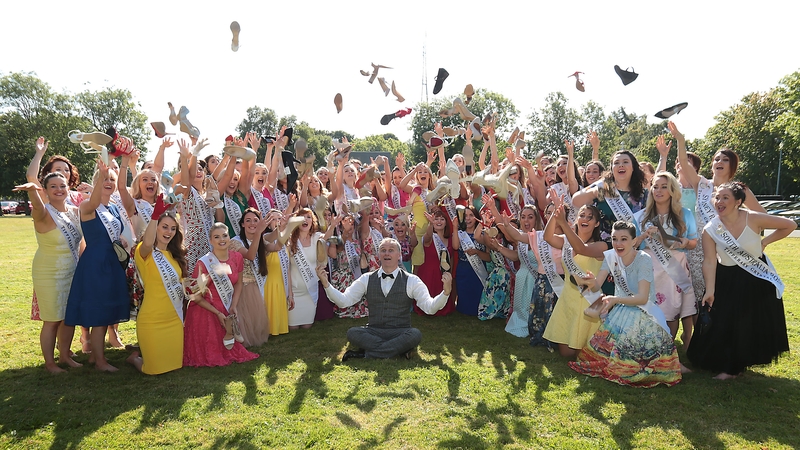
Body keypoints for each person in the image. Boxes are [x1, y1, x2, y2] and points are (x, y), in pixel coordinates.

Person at [687, 182, 795, 379]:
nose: (719, 202)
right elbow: (710, 262)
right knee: (725, 321)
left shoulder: (753, 218)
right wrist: (710, 290)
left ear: (738, 202)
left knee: (747, 323)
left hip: (755, 277)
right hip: (726, 278)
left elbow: (790, 225)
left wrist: (764, 242)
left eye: (725, 198)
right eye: (717, 197)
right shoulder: (711, 229)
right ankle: (728, 365)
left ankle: (734, 368)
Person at [570, 221, 682, 387]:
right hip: (621, 311)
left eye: (623, 239)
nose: (618, 244)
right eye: (615, 239)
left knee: (626, 367)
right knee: (608, 361)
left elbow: (643, 298)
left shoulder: (643, 259)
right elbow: (597, 285)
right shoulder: (610, 256)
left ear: (633, 240)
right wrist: (587, 280)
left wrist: (616, 299)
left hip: (644, 313)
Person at [318, 238, 453, 361]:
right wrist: (326, 285)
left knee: (415, 334)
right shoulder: (367, 279)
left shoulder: (412, 280)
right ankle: (397, 350)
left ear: (398, 255)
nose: (387, 253)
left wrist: (445, 293)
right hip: (374, 331)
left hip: (401, 331)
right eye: (383, 250)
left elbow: (429, 308)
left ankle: (366, 354)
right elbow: (343, 301)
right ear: (379, 255)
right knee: (352, 333)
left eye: (391, 250)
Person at [64, 159, 131, 372]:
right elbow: (93, 204)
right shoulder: (87, 205)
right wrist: (102, 174)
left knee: (106, 309)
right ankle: (100, 361)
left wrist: (122, 240)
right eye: (104, 179)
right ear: (96, 182)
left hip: (112, 262)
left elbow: (115, 232)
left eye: (111, 179)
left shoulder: (113, 207)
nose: (108, 182)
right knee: (99, 311)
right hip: (96, 263)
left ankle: (96, 357)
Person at [14, 172, 84, 373]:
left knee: (68, 317)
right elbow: (37, 206)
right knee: (52, 319)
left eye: (62, 185)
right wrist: (32, 193)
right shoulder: (44, 212)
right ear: (45, 191)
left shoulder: (74, 211)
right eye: (53, 186)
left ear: (68, 188)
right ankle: (50, 363)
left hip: (71, 270)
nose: (59, 189)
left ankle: (65, 355)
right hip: (49, 273)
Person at [634, 172, 698, 349]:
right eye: (655, 187)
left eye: (664, 187)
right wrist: (643, 237)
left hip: (674, 267)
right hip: (648, 266)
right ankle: (648, 345)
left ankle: (668, 348)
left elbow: (693, 242)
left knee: (672, 308)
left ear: (672, 190)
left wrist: (686, 242)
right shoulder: (640, 216)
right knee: (648, 307)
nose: (658, 191)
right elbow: (632, 244)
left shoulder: (684, 214)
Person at [183, 223, 259, 367]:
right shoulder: (204, 263)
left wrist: (234, 305)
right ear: (211, 240)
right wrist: (217, 313)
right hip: (206, 311)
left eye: (224, 235)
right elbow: (196, 297)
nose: (221, 239)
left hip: (226, 306)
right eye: (216, 237)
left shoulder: (237, 257)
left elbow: (239, 283)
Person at [127, 198, 187, 375]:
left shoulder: (176, 255)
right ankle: (135, 359)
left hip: (174, 319)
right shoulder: (144, 252)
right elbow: (147, 242)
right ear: (156, 228)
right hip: (152, 320)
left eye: (173, 228)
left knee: (176, 365)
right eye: (164, 226)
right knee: (152, 370)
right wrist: (154, 216)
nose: (168, 231)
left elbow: (180, 285)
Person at [287, 208, 325, 329]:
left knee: (307, 326)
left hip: (310, 289)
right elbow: (286, 268)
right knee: (293, 328)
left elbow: (327, 236)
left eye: (308, 217)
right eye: (302, 217)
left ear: (312, 221)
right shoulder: (290, 240)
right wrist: (290, 293)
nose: (305, 219)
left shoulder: (316, 237)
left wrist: (333, 225)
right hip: (294, 290)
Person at [454, 206, 489, 316]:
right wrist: (455, 228)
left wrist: (477, 252)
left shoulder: (483, 234)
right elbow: (455, 246)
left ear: (476, 218)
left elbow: (489, 257)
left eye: (471, 215)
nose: (468, 219)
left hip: (479, 271)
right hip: (463, 270)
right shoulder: (459, 234)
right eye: (465, 216)